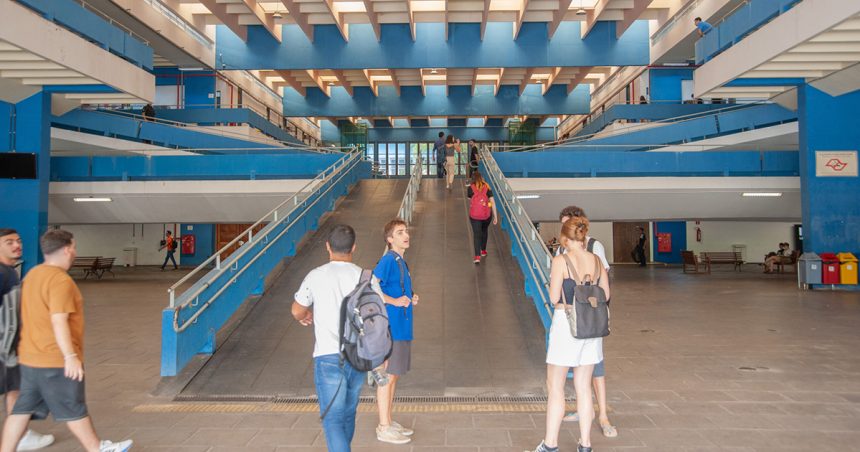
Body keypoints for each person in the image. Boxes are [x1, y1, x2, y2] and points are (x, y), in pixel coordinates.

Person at [0, 229, 132, 452]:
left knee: (21, 410)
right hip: (54, 359)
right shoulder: (60, 281)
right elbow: (58, 320)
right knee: (73, 407)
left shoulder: (33, 274)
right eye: (74, 247)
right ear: (67, 249)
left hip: (30, 358)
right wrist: (70, 356)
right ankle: (97, 448)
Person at [292, 224, 384, 452]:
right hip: (356, 355)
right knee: (348, 413)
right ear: (354, 247)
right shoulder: (366, 278)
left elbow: (297, 310)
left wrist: (305, 316)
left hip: (327, 355)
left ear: (327, 247)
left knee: (332, 418)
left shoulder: (316, 275)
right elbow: (379, 318)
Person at [529, 216, 609, 452]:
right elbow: (605, 294)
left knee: (555, 386)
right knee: (584, 387)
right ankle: (585, 444)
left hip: (567, 325)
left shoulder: (561, 260)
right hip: (591, 328)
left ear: (565, 237)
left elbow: (554, 297)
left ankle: (550, 444)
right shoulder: (596, 261)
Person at [554, 208, 616, 438]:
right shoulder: (561, 250)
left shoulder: (594, 247)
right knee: (581, 372)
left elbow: (603, 284)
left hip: (590, 316)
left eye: (568, 223)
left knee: (595, 369)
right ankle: (585, 412)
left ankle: (603, 416)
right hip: (572, 319)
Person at [0, 229, 55, 451]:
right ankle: (20, 436)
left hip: (9, 343)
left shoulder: (9, 272)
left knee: (15, 388)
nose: (17, 245)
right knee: (16, 389)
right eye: (9, 242)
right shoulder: (3, 273)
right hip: (5, 345)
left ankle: (20, 433)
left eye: (18, 240)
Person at [373, 220, 419, 445]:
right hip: (391, 327)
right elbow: (371, 286)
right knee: (387, 377)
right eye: (399, 232)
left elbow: (398, 288)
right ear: (390, 239)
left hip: (401, 327)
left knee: (394, 376)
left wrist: (411, 296)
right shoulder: (389, 260)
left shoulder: (401, 261)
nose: (405, 235)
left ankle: (388, 421)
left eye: (406, 231)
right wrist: (393, 301)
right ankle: (383, 427)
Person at [467, 172, 498, 264]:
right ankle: (483, 250)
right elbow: (492, 202)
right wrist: (495, 216)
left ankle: (477, 257)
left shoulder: (470, 188)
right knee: (484, 231)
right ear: (481, 178)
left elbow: (470, 200)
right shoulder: (487, 187)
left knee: (477, 234)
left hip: (474, 216)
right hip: (486, 216)